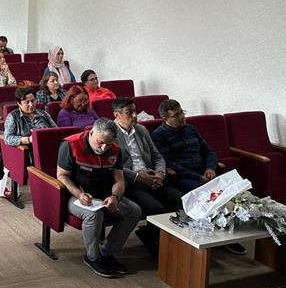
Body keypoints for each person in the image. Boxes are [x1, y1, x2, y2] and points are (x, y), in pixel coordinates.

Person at [152, 100, 247, 254]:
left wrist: (210, 167)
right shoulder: (159, 135)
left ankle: (229, 233)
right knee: (209, 196)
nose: (181, 117)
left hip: (205, 173)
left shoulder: (190, 129)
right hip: (184, 177)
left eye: (182, 112)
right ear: (165, 119)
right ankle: (217, 236)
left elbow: (208, 151)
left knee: (234, 191)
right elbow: (169, 163)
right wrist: (197, 177)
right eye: (176, 115)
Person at [57, 118, 141, 278]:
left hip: (103, 195)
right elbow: (62, 176)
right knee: (94, 214)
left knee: (134, 211)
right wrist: (79, 194)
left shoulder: (115, 149)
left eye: (108, 144)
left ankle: (107, 253)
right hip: (74, 195)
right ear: (91, 133)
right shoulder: (70, 144)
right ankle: (92, 257)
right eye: (100, 142)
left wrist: (115, 196)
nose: (103, 148)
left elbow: (119, 179)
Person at [112, 96, 182, 257]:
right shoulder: (111, 133)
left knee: (180, 200)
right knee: (156, 209)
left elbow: (157, 156)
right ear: (117, 115)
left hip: (152, 177)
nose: (134, 115)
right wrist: (138, 176)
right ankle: (156, 243)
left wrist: (160, 173)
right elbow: (114, 166)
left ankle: (158, 236)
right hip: (129, 182)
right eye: (129, 112)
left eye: (135, 111)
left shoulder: (141, 130)